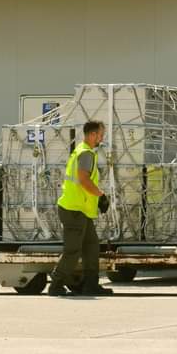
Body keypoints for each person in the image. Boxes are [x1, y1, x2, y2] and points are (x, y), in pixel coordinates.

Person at [48, 121, 113, 297]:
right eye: (101, 134)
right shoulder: (86, 154)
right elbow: (83, 180)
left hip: (80, 210)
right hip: (74, 210)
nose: (102, 137)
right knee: (73, 250)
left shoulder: (83, 150)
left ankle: (91, 285)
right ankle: (56, 284)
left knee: (92, 246)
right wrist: (101, 196)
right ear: (92, 135)